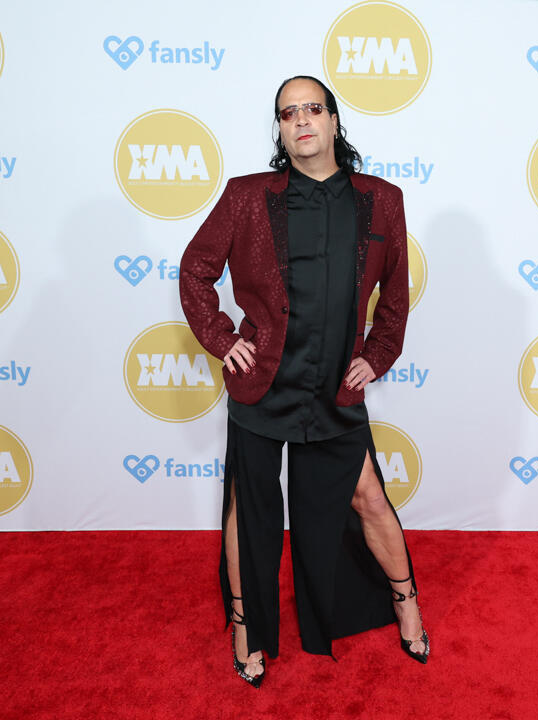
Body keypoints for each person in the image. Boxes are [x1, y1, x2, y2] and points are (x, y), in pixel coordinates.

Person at [178, 74, 429, 688]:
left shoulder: (381, 200)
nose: (301, 120)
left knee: (367, 497)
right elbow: (196, 269)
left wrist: (379, 353)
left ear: (334, 121)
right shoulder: (246, 197)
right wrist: (223, 340)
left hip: (335, 386)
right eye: (288, 113)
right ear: (281, 129)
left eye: (312, 108)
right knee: (248, 509)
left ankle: (406, 602)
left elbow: (395, 296)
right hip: (264, 383)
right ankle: (245, 625)